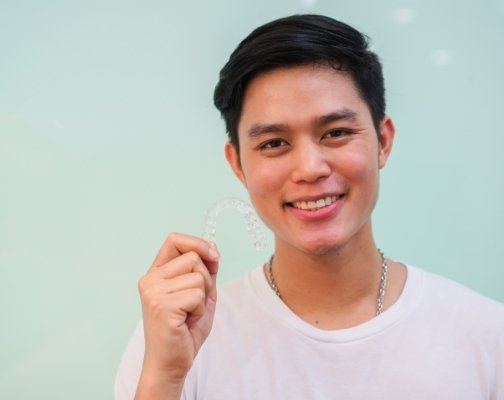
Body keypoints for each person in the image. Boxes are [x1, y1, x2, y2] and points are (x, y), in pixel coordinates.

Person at [114, 14, 504, 400]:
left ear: (382, 141)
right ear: (238, 164)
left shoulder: (487, 336)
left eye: (336, 133)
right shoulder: (178, 342)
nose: (310, 169)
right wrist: (164, 378)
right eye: (274, 143)